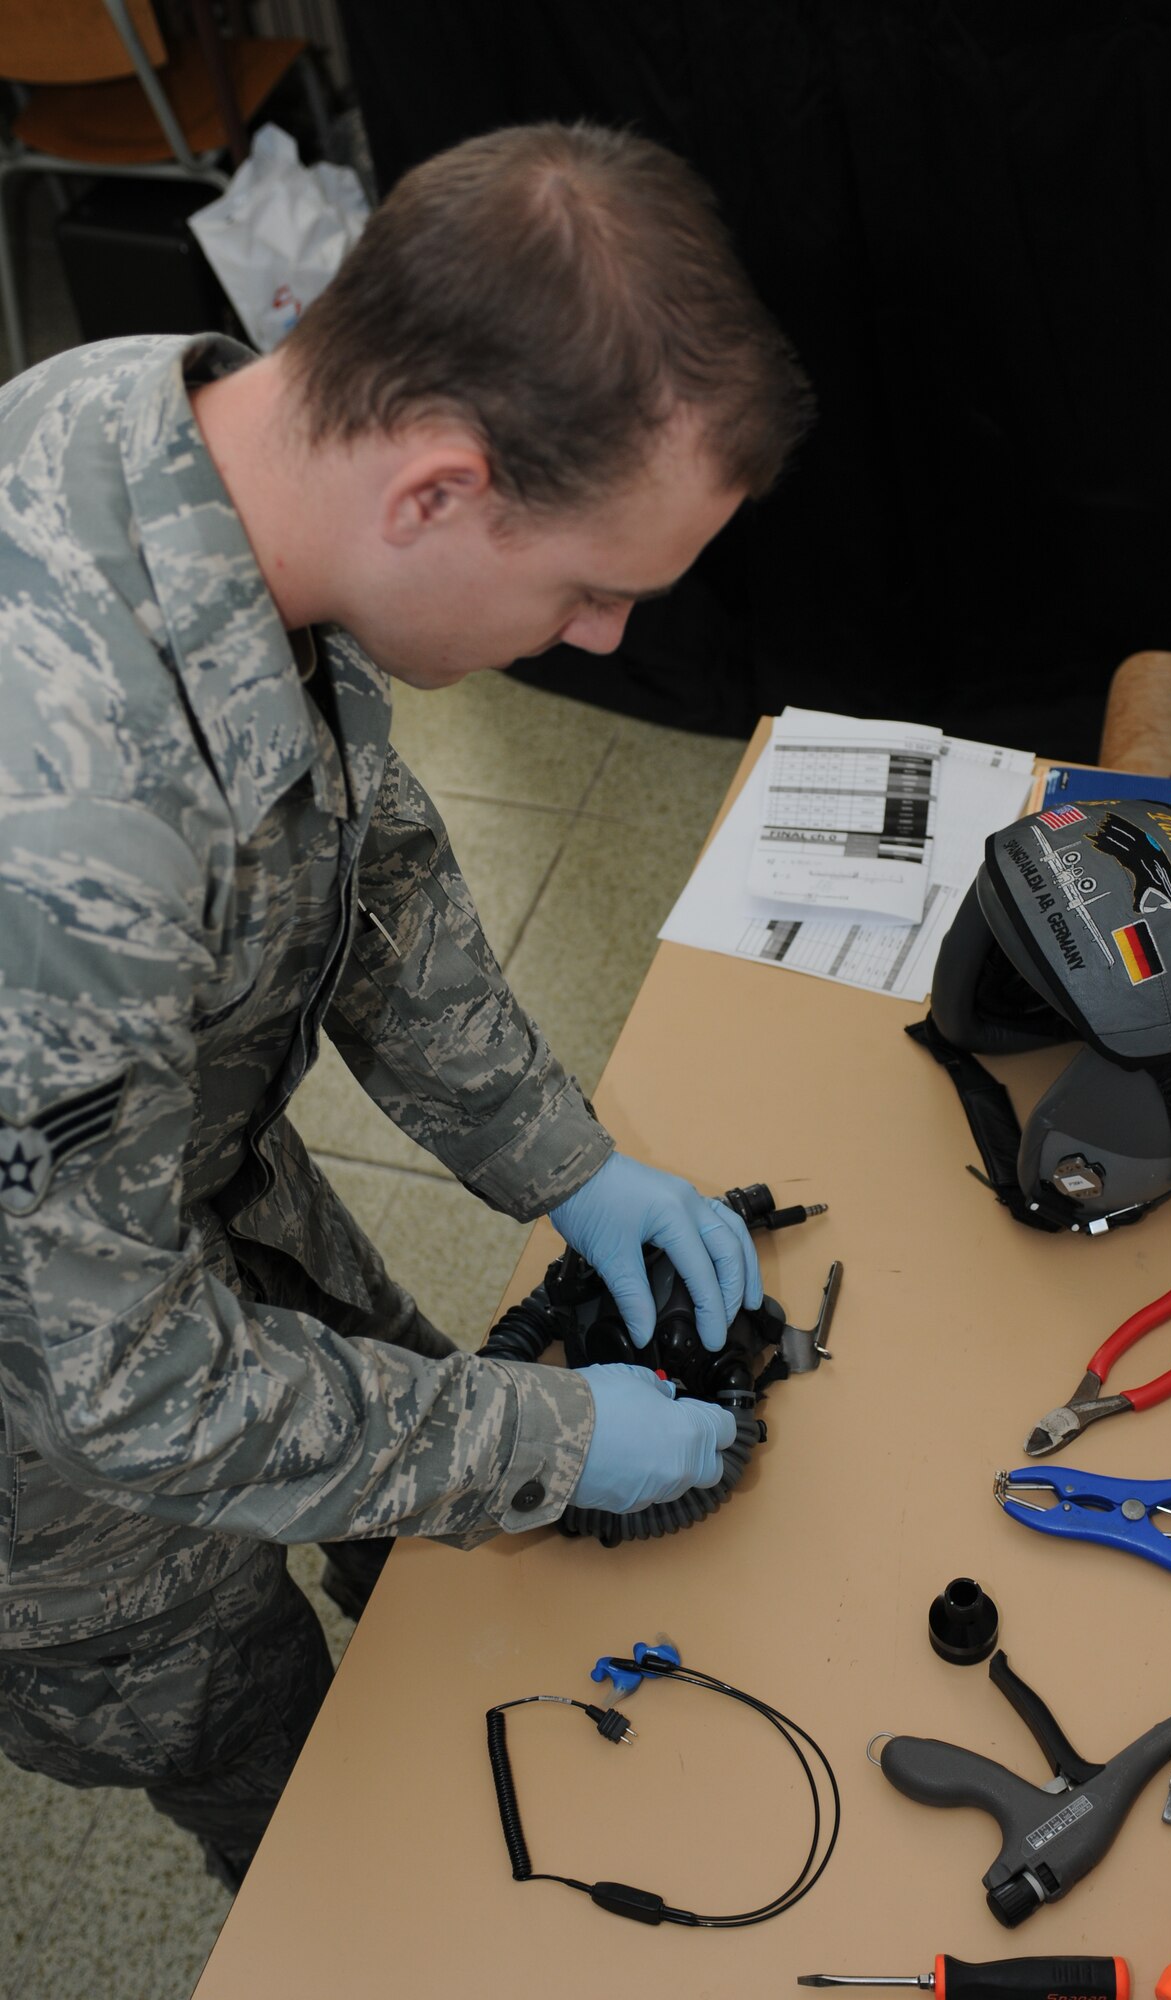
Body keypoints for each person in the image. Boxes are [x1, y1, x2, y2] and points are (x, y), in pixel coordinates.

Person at [0, 121, 812, 1889]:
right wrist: (546, 1438)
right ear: (437, 489)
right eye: (591, 586)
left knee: (441, 1577)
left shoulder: (189, 423)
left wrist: (564, 1163)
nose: (601, 640)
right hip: (57, 1470)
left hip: (196, 1206)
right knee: (298, 1783)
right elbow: (127, 1394)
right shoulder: (67, 835)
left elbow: (364, 866)